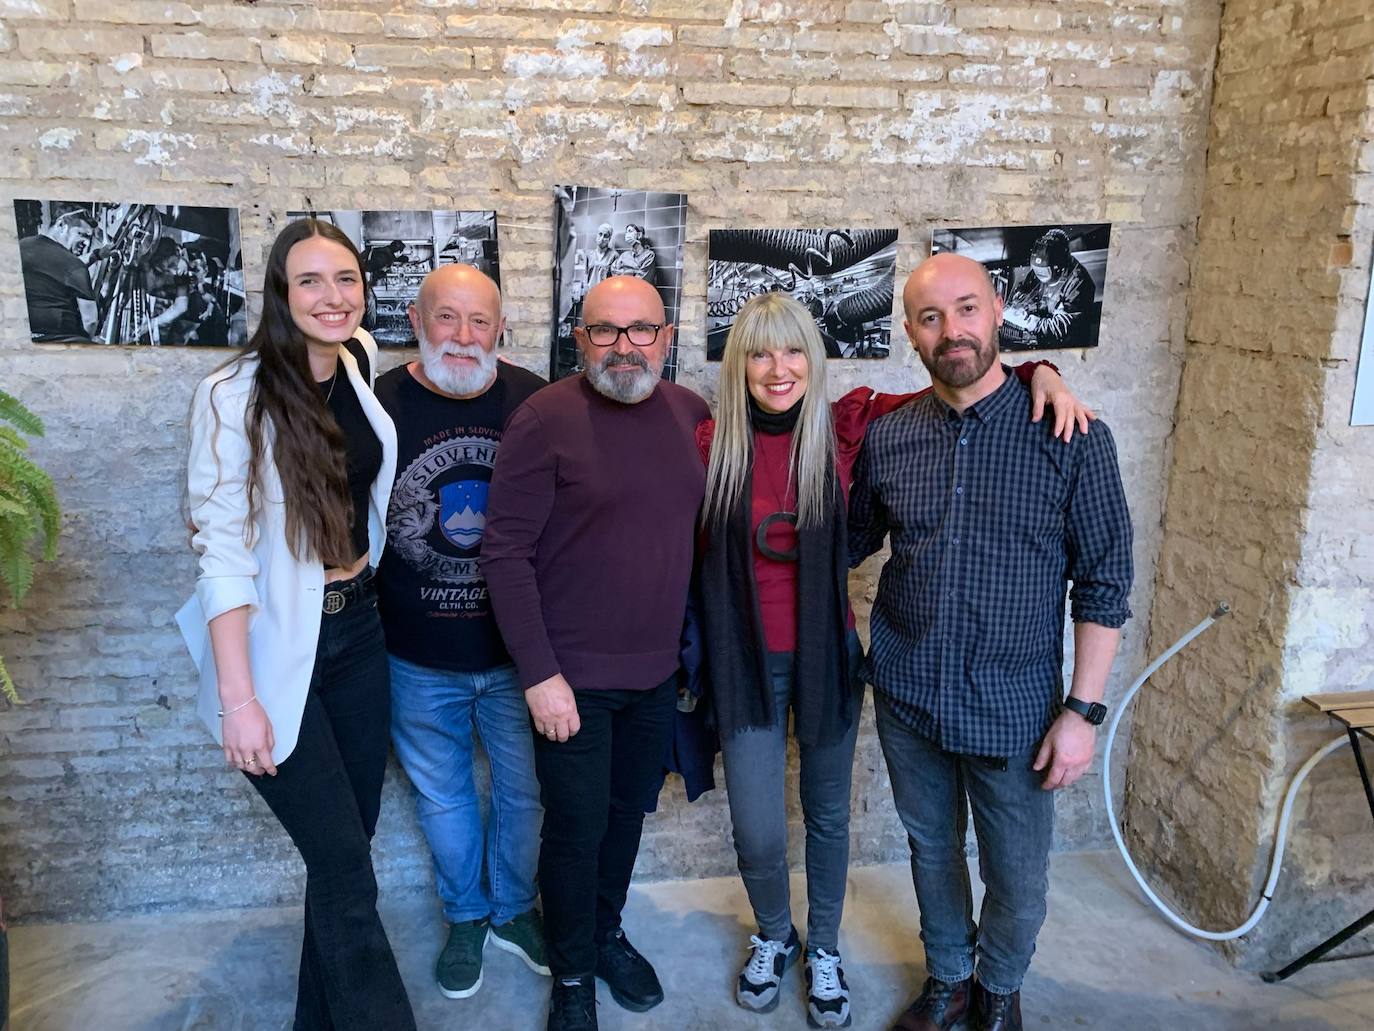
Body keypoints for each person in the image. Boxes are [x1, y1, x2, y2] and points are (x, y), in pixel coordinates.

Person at [697, 293, 1090, 1030]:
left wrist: (1041, 369)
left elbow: (962, 386)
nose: (778, 369)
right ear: (738, 363)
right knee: (755, 826)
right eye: (759, 352)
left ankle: (828, 950)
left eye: (792, 352)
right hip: (743, 660)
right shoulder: (710, 442)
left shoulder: (847, 428)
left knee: (827, 816)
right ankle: (776, 935)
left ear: (812, 360)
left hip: (827, 659)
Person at [849, 254, 1133, 1031]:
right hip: (908, 693)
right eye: (931, 317)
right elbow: (845, 542)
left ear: (998, 310)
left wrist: (1083, 710)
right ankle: (948, 977)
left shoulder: (1071, 436)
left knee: (1018, 874)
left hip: (1015, 708)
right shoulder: (891, 437)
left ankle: (1000, 985)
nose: (952, 331)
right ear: (908, 331)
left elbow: (1106, 583)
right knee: (930, 849)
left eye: (967, 309)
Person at [179, 218, 414, 1030]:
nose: (332, 296)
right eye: (310, 280)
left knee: (341, 856)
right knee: (346, 864)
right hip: (281, 646)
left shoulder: (359, 360)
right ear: (280, 292)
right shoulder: (231, 393)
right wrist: (239, 700)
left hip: (360, 632)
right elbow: (220, 553)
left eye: (345, 279)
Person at [482, 276, 708, 1031]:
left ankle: (605, 933)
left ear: (666, 338)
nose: (623, 346)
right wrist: (540, 675)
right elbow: (504, 553)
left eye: (640, 330)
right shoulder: (542, 420)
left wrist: (1040, 372)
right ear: (579, 340)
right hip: (569, 681)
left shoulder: (692, 416)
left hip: (654, 677)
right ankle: (572, 971)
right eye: (605, 331)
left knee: (625, 817)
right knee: (575, 830)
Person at [373, 264, 549, 1001]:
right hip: (415, 654)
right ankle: (468, 915)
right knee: (442, 799)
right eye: (448, 317)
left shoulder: (535, 398)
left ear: (500, 328)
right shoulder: (379, 398)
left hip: (519, 654)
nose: (464, 336)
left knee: (526, 793)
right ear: (417, 319)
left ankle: (513, 910)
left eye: (480, 321)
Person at [1002, 228, 1095, 349]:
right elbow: (1027, 288)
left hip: (1067, 346)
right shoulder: (1041, 268)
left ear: (1059, 266)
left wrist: (1028, 321)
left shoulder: (1078, 283)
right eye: (1037, 270)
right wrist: (1018, 302)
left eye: (1044, 272)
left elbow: (1062, 327)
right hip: (1044, 334)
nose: (1039, 275)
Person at [18, 209, 100, 342]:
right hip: (63, 340)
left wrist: (97, 255)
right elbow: (90, 321)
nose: (86, 243)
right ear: (61, 225)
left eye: (89, 238)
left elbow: (58, 268)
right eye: (81, 234)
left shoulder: (21, 248)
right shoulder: (74, 264)